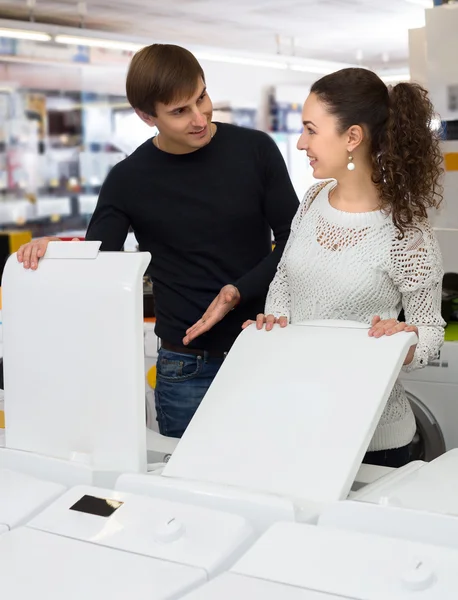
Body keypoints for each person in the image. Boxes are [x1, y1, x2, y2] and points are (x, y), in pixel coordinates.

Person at [17, 44, 299, 438]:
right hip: (186, 370)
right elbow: (98, 256)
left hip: (263, 351)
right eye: (180, 111)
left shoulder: (255, 150)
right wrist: (57, 252)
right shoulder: (128, 179)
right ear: (146, 116)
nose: (199, 118)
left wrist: (238, 291)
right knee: (182, 493)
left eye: (201, 97)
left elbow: (294, 238)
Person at [243, 68, 445, 468]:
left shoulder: (407, 230)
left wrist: (401, 343)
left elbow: (432, 332)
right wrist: (273, 325)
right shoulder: (313, 198)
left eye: (311, 130)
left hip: (374, 441)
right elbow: (285, 279)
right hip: (301, 425)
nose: (301, 143)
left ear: (352, 137)